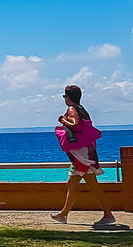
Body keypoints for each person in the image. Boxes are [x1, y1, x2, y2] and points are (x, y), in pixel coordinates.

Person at [50, 84, 123, 228]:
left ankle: (108, 215)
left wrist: (62, 121)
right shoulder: (82, 110)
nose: (65, 99)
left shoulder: (72, 109)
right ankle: (63, 214)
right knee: (72, 184)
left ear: (68, 97)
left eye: (65, 96)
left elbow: (76, 125)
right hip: (84, 152)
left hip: (81, 155)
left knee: (93, 186)